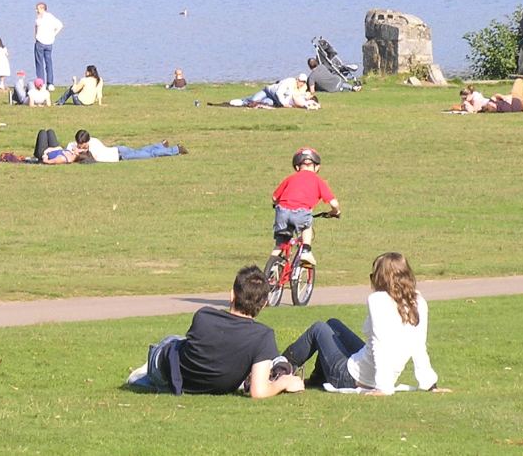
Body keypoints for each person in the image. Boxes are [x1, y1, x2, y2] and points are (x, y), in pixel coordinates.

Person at [126, 265, 306, 397]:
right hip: (198, 378)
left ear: (232, 295)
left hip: (174, 374)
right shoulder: (262, 336)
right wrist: (284, 382)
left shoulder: (203, 316)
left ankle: (145, 372)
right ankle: (144, 372)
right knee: (175, 342)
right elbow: (259, 391)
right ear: (264, 304)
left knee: (172, 341)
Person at [281, 252, 443, 395]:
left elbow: (380, 344)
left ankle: (279, 369)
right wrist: (430, 384)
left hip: (351, 378)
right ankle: (318, 378)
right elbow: (419, 345)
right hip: (369, 366)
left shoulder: (378, 300)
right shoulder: (419, 301)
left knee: (319, 328)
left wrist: (383, 387)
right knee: (333, 324)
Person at [271, 148, 341, 266]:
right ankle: (306, 251)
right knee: (307, 226)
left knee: (281, 243)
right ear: (317, 167)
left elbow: (274, 197)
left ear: (297, 167)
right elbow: (333, 203)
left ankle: (269, 269)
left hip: (282, 211)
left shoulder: (290, 178)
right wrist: (336, 212)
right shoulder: (317, 180)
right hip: (301, 212)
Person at [75, 129, 185, 161]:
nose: (79, 146)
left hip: (121, 155)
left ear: (86, 142)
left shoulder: (93, 146)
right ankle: (161, 145)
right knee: (141, 151)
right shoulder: (92, 141)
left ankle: (176, 149)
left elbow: (91, 159)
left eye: (81, 145)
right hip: (119, 150)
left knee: (150, 155)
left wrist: (78, 153)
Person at [230, 74, 318, 109]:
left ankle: (247, 103)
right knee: (254, 99)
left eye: (303, 82)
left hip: (276, 100)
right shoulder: (289, 82)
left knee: (266, 103)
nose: (302, 83)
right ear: (297, 79)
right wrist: (284, 104)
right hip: (270, 91)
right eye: (301, 81)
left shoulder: (303, 87)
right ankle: (243, 101)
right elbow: (278, 92)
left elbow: (300, 96)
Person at [33, 2, 63, 90]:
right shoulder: (51, 17)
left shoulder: (40, 18)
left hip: (41, 42)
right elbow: (60, 25)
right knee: (48, 62)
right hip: (49, 42)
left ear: (42, 9)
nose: (36, 10)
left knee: (39, 63)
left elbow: (37, 25)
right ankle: (50, 83)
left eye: (37, 9)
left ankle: (41, 83)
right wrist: (53, 34)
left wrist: (53, 34)